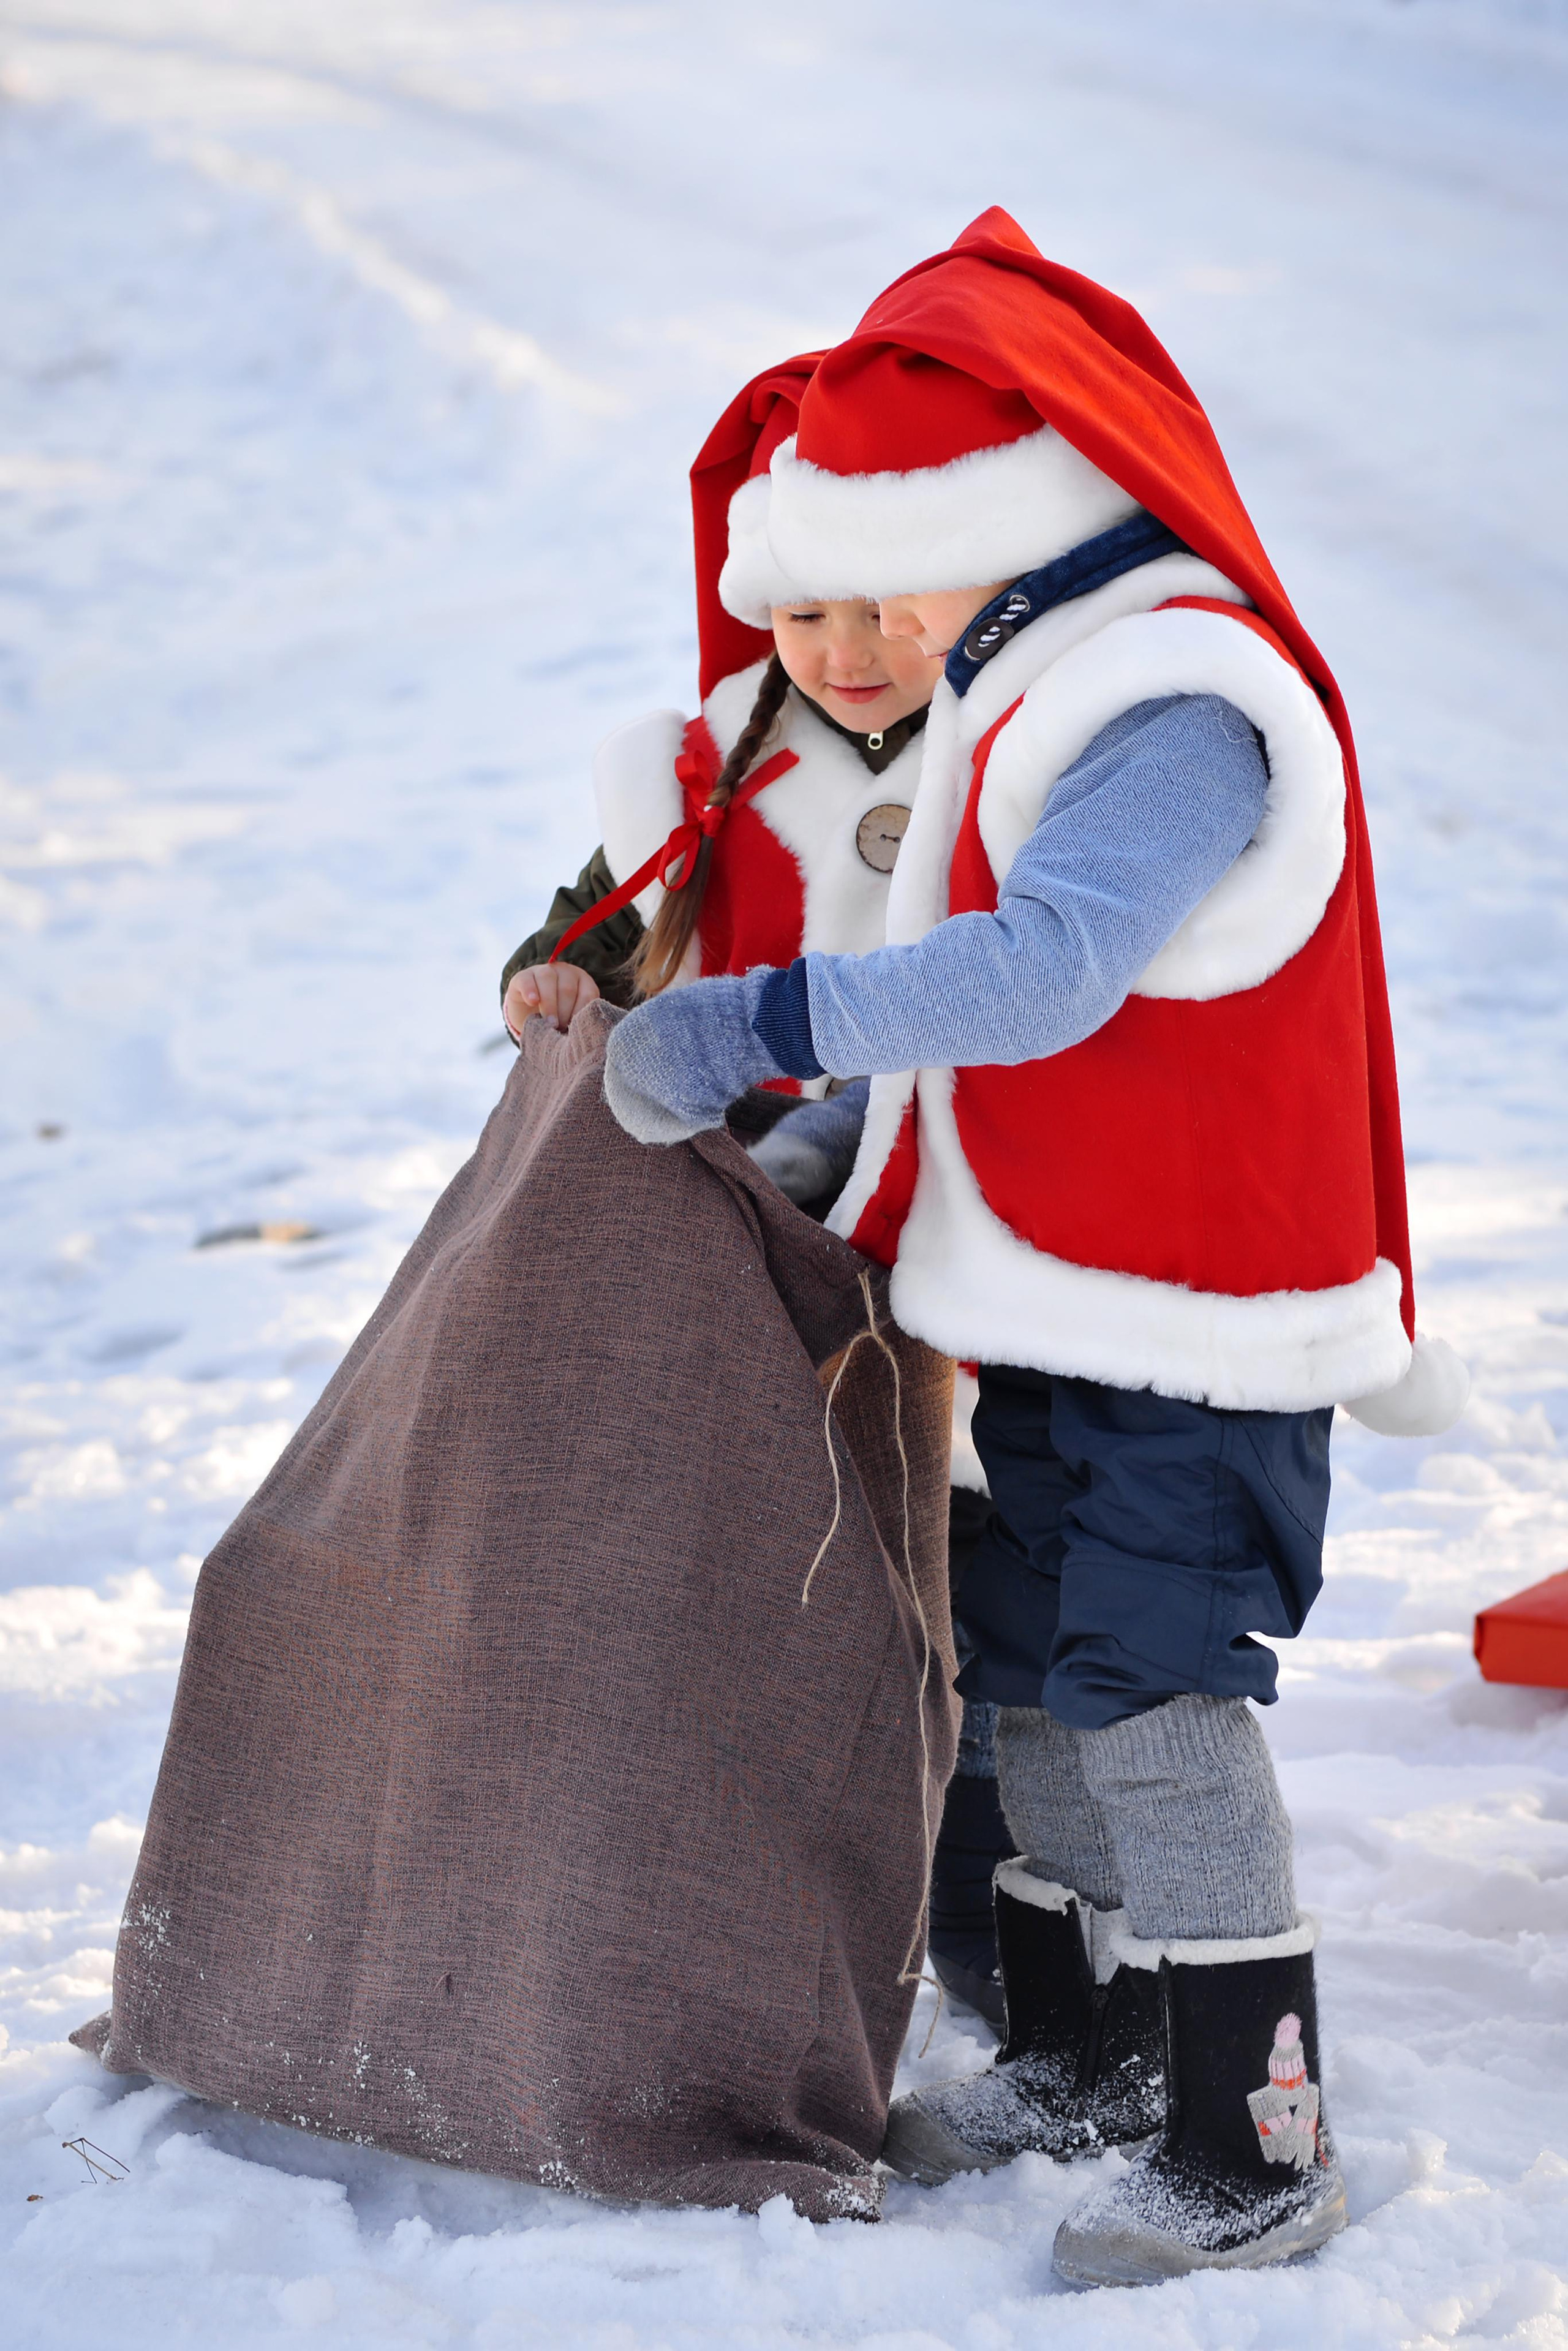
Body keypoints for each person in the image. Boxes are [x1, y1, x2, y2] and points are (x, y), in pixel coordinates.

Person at [597, 210, 1468, 2283]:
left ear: (1004, 519)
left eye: (894, 562)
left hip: (1198, 1325)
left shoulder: (1174, 697)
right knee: (1036, 1700)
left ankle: (1257, 2145)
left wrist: (754, 1027)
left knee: (1154, 1703)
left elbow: (1050, 971)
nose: (862, 621)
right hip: (1049, 1304)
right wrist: (817, 1147)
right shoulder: (1027, 686)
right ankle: (1083, 2053)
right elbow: (961, 1036)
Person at [500, 355, 1015, 2029]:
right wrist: (551, 979)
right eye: (807, 621)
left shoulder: (1006, 739)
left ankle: (998, 1925)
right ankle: (781, 1917)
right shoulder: (719, 764)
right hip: (772, 1242)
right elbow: (608, 918)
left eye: (882, 613)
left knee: (979, 1590)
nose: (851, 656)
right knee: (810, 1579)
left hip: (968, 1220)